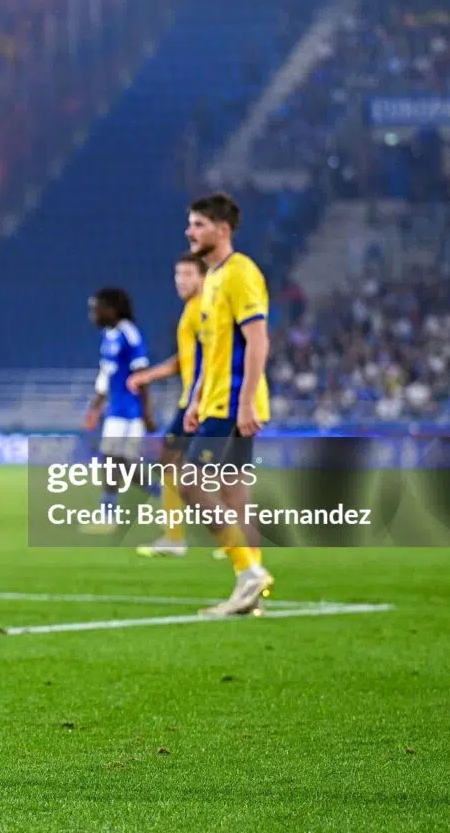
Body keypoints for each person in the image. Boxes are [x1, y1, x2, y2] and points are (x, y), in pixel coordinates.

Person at [180, 194, 274, 616]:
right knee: (235, 495)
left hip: (233, 402)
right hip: (216, 399)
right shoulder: (214, 278)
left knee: (189, 482)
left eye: (198, 224)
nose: (190, 231)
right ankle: (249, 590)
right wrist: (196, 395)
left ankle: (248, 571)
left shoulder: (241, 273)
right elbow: (212, 347)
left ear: (223, 229)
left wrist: (247, 401)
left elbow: (257, 340)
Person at [128, 252, 207, 557]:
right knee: (174, 465)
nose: (180, 281)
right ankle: (176, 538)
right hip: (193, 400)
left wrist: (199, 398)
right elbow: (184, 361)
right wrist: (148, 376)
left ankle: (231, 541)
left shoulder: (204, 311)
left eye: (188, 274)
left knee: (202, 473)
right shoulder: (191, 310)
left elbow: (214, 358)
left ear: (203, 277)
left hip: (202, 402)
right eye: (178, 274)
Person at [83, 288, 151, 515]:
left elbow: (141, 374)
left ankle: (161, 493)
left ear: (111, 310)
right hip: (115, 410)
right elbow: (106, 375)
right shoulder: (108, 336)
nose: (93, 314)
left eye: (96, 309)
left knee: (123, 463)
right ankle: (108, 508)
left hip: (131, 411)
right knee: (112, 460)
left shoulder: (129, 334)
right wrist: (95, 408)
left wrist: (147, 412)